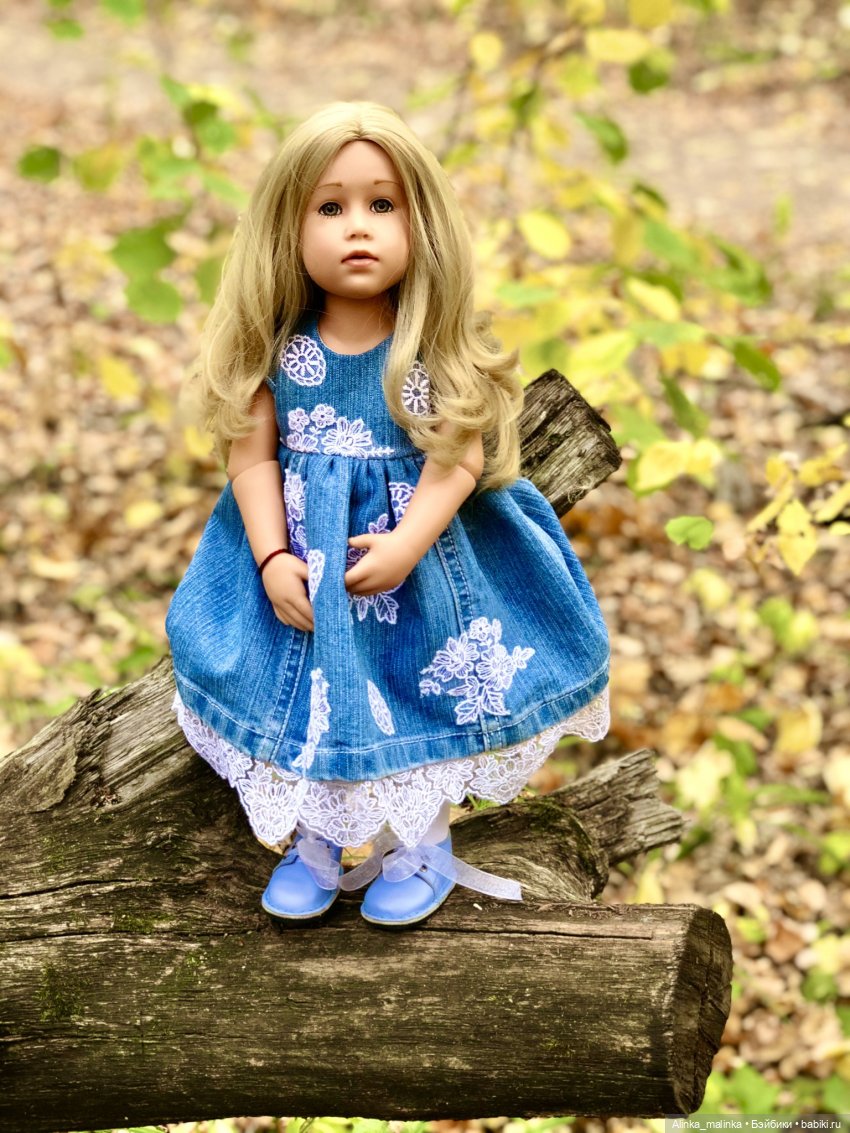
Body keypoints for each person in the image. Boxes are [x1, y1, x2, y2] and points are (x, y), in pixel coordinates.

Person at [165, 100, 611, 928]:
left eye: (382, 204)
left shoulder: (425, 347)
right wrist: (270, 556)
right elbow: (250, 460)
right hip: (305, 570)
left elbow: (457, 461)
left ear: (421, 223)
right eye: (330, 208)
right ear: (288, 229)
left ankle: (420, 843)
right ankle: (316, 843)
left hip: (416, 572)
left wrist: (408, 543)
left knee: (414, 693)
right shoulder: (278, 350)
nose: (358, 228)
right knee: (306, 701)